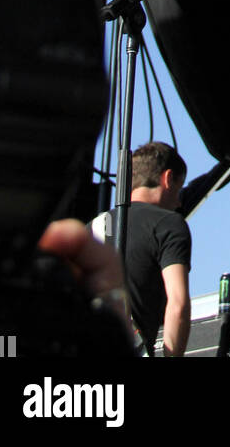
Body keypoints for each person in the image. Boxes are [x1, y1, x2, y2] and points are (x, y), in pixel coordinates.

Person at [92, 140, 192, 357]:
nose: (178, 202)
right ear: (167, 179)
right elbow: (178, 303)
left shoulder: (93, 227)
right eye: (179, 189)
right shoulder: (169, 224)